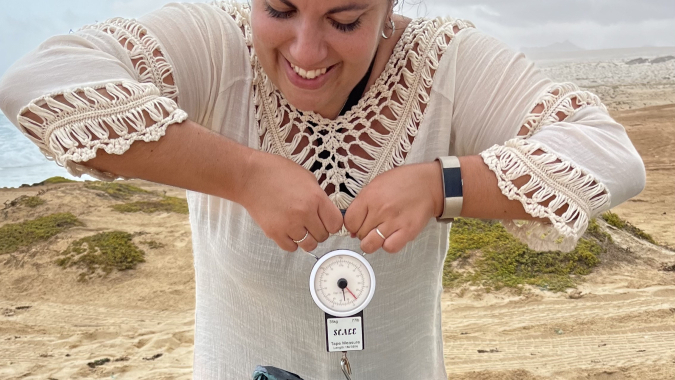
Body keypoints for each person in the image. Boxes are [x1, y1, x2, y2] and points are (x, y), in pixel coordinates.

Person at [0, 0, 646, 378]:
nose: (306, 52)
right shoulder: (216, 43)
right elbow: (36, 83)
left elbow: (607, 152)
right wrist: (242, 174)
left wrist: (442, 184)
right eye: (279, 9)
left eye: (343, 19)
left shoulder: (444, 60)